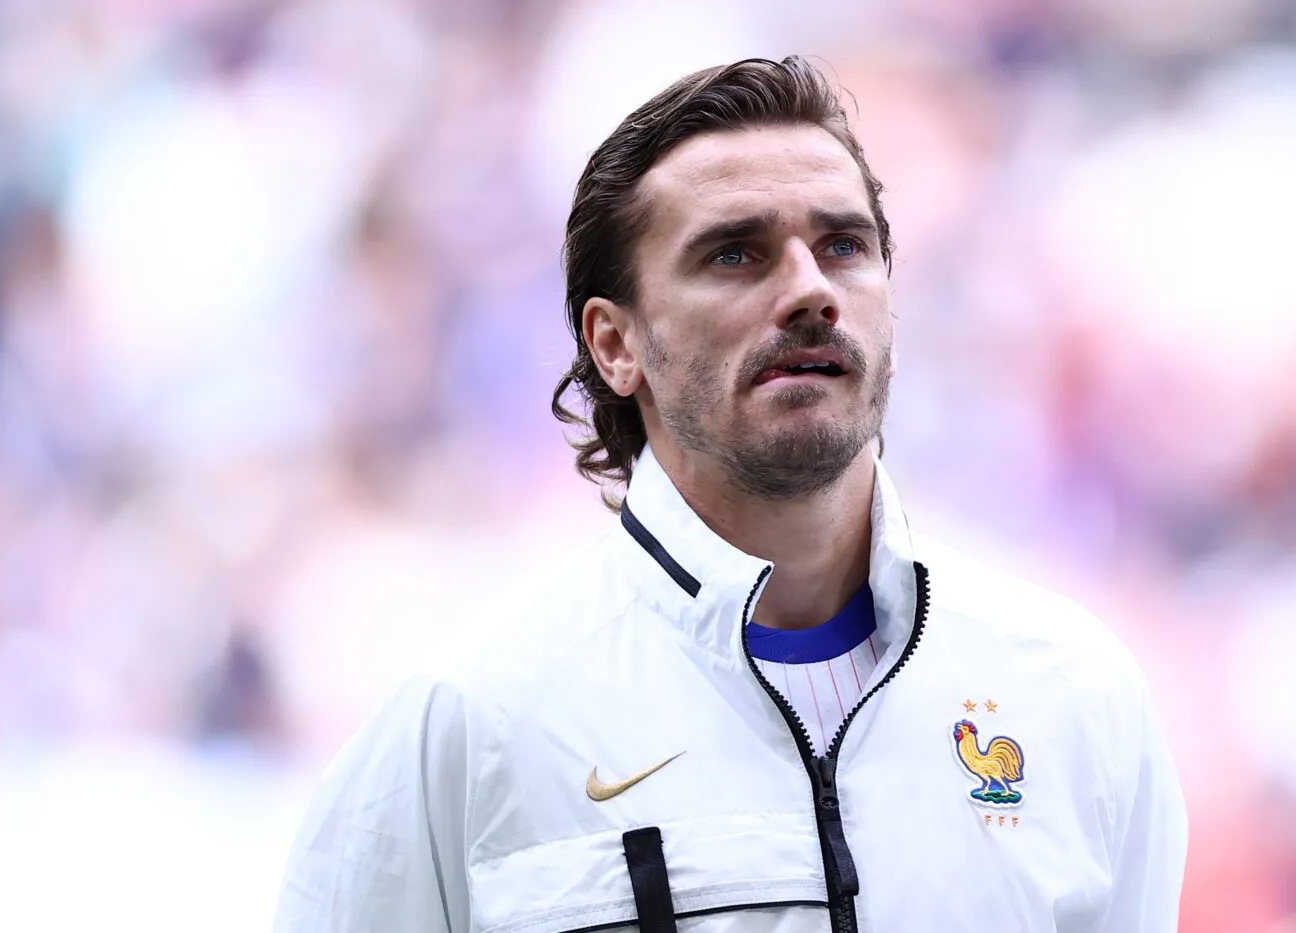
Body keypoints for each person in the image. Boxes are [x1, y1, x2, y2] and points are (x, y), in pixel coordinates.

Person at [273, 56, 1187, 933]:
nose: (811, 291)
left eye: (843, 245)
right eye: (737, 255)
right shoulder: (470, 721)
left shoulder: (1073, 690)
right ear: (614, 344)